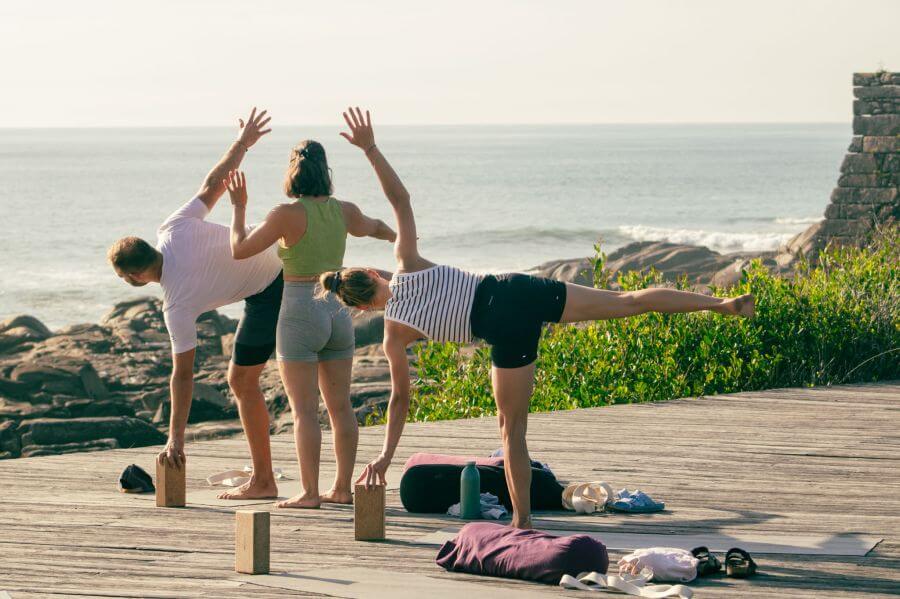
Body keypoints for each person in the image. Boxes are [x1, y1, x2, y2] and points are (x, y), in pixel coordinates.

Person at [323, 107, 755, 529]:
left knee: (512, 430)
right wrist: (371, 148)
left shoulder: (394, 337)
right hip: (513, 288)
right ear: (374, 273)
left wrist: (383, 457)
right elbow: (400, 198)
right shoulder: (407, 261)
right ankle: (721, 304)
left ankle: (522, 521)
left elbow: (400, 401)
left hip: (504, 331)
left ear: (360, 308)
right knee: (626, 301)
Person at [107, 108, 284, 500]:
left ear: (135, 277)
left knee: (241, 382)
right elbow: (214, 183)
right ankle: (265, 473)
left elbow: (183, 376)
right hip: (281, 248)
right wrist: (243, 142)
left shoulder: (176, 304)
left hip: (271, 291)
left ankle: (265, 481)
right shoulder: (173, 227)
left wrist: (175, 439)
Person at [223, 137, 395, 508]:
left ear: (292, 171)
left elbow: (239, 249)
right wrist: (401, 239)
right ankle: (342, 489)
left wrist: (238, 207)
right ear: (325, 171)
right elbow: (376, 226)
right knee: (340, 408)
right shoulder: (344, 211)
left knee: (304, 411)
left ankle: (310, 493)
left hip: (299, 310)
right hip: (338, 310)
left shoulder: (285, 214)